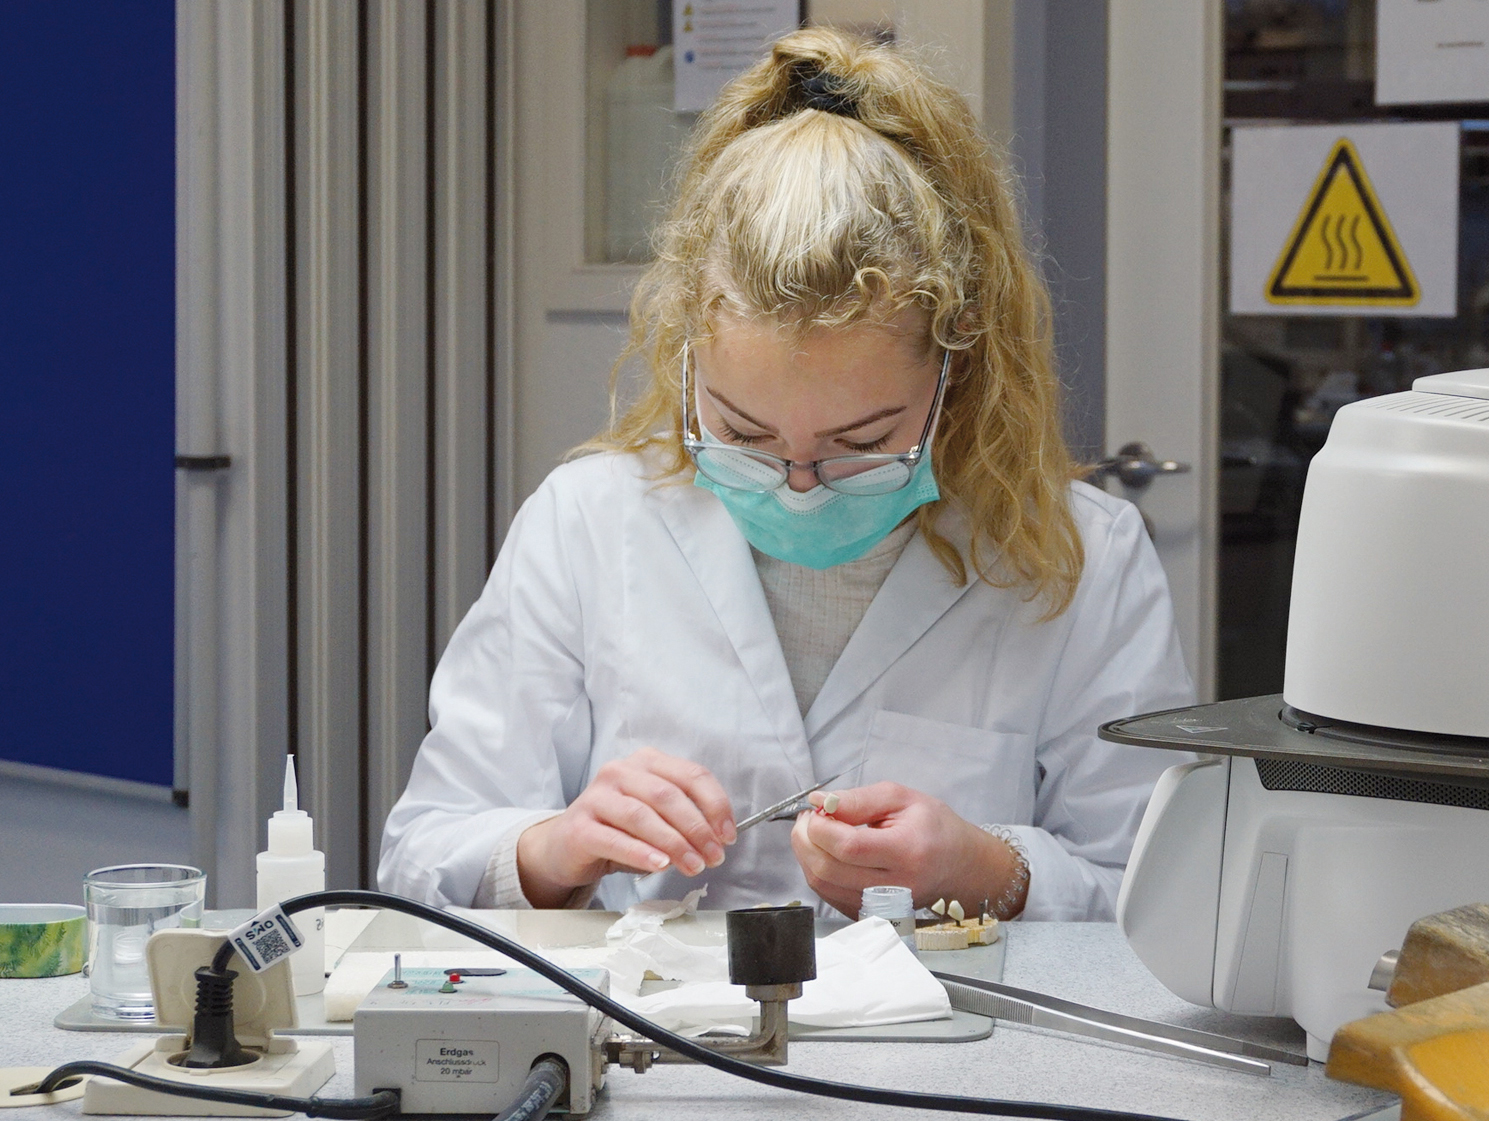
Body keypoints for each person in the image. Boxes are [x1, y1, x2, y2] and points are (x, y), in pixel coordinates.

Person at [378, 29, 1191, 921]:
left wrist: (992, 872)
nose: (799, 485)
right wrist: (555, 847)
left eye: (862, 440)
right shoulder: (590, 523)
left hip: (954, 1058)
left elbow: (1162, 903)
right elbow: (423, 853)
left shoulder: (1084, 561)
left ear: (959, 368)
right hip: (653, 1051)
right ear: (686, 361)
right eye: (745, 434)